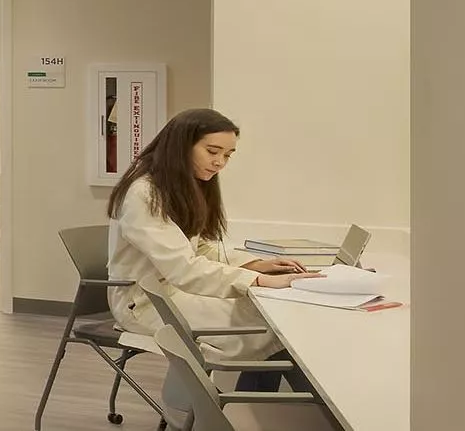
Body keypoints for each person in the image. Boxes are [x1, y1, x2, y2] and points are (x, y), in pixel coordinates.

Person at [106, 108, 317, 394]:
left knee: (271, 321)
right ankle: (241, 410)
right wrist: (257, 281)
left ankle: (251, 409)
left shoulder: (182, 184)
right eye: (212, 151)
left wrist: (256, 265)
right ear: (181, 146)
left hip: (171, 291)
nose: (220, 162)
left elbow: (199, 247)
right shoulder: (144, 193)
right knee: (270, 325)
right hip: (143, 303)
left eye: (228, 155)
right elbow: (184, 268)